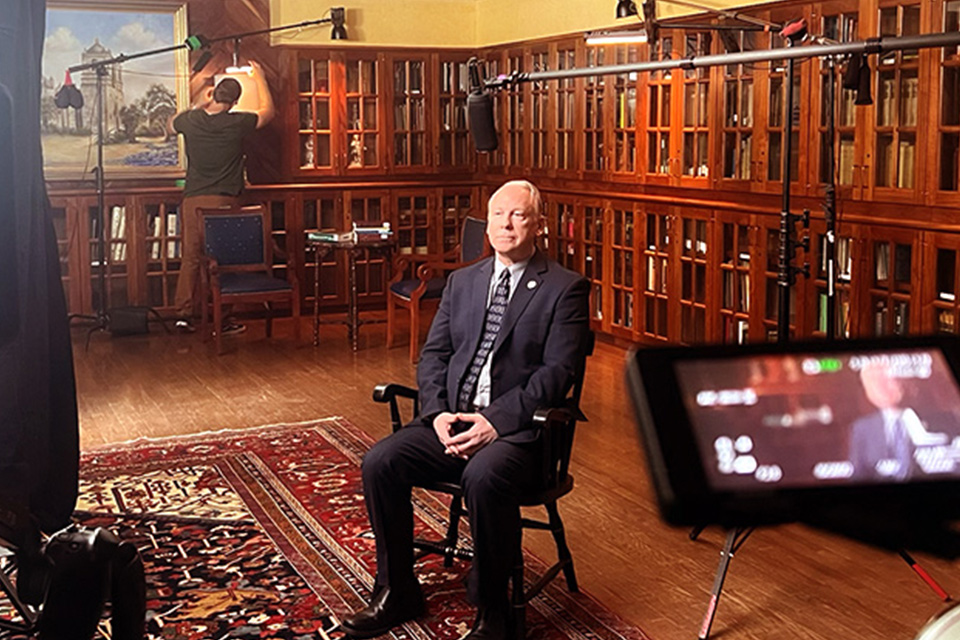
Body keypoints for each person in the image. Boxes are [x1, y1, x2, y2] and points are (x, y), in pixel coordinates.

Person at [339, 180, 590, 640]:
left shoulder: (564, 288)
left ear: (539, 225)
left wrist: (494, 423)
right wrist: (435, 413)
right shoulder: (463, 281)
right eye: (498, 215)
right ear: (487, 224)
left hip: (519, 433)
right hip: (452, 419)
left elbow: (557, 374)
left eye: (518, 215)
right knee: (381, 461)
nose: (506, 224)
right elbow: (434, 355)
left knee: (483, 476)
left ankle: (494, 612)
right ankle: (397, 590)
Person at [170, 61, 275, 334]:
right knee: (224, 259)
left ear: (213, 95)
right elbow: (267, 113)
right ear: (235, 101)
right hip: (225, 201)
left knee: (191, 258)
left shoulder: (192, 120)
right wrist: (261, 77)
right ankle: (222, 318)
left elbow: (171, 125)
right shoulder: (238, 122)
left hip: (193, 199)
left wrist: (199, 103)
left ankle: (183, 315)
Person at [848, 361, 930, 481]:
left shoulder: (939, 420)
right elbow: (857, 474)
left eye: (893, 380)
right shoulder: (862, 428)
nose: (889, 387)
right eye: (879, 383)